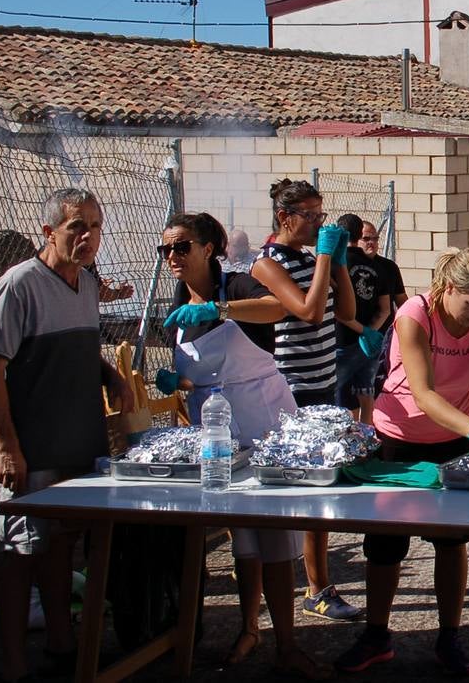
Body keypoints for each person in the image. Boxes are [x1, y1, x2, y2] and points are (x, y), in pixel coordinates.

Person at [156, 212, 328, 679]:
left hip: (261, 418)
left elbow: (280, 307)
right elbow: (200, 372)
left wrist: (219, 311)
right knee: (240, 538)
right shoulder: (175, 300)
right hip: (215, 430)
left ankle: (288, 644)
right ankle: (250, 628)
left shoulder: (233, 287)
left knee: (272, 534)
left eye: (181, 246)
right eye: (166, 249)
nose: (172, 256)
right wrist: (181, 382)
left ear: (208, 248)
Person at [0, 188, 136, 683]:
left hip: (77, 445)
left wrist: (109, 374)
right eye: (75, 227)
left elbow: (79, 349)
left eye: (95, 226)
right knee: (20, 556)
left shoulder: (85, 284)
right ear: (49, 232)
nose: (88, 237)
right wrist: (7, 447)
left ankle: (62, 649)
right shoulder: (19, 285)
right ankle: (16, 668)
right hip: (31, 451)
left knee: (62, 548)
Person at [335, 247, 469, 676]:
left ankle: (449, 636)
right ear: (449, 289)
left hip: (453, 436)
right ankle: (376, 635)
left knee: (451, 539)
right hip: (400, 437)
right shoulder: (415, 314)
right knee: (386, 543)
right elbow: (424, 393)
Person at [251, 179, 361, 621]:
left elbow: (345, 314)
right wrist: (324, 260)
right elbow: (309, 311)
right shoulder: (267, 263)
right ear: (285, 217)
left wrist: (339, 266)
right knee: (292, 497)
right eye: (311, 216)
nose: (320, 223)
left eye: (322, 214)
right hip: (289, 390)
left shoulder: (310, 258)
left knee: (322, 490)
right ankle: (293, 587)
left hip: (323, 385)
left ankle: (318, 587)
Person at [333, 213, 391, 420]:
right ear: (359, 235)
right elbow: (385, 308)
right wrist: (370, 332)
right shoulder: (377, 266)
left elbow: (338, 311)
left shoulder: (335, 265)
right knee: (366, 395)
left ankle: (345, 443)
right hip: (369, 344)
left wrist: (361, 330)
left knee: (336, 397)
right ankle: (367, 438)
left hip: (341, 341)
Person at [361, 220, 408, 391]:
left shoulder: (388, 267)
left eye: (375, 238)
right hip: (355, 337)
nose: (372, 242)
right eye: (366, 238)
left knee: (380, 385)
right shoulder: (345, 266)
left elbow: (402, 302)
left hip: (384, 337)